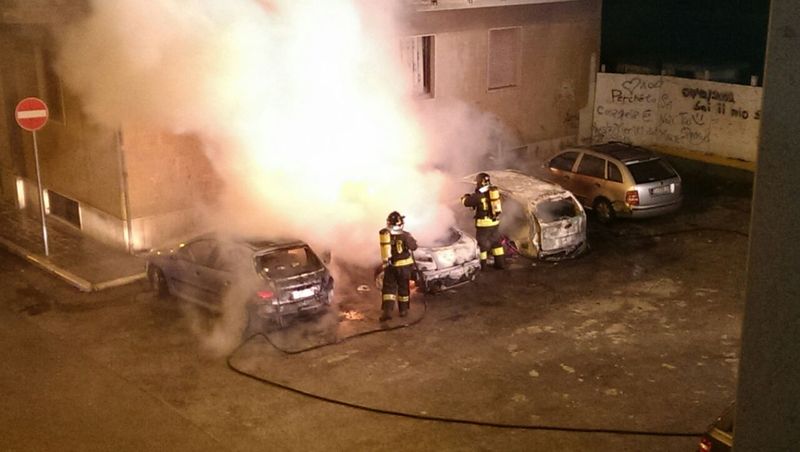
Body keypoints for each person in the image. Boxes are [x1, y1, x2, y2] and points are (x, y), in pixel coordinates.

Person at [461, 172, 506, 270]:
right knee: (496, 243)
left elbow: (466, 202)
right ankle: (500, 264)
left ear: (480, 182)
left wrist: (464, 197)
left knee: (482, 245)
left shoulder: (479, 195)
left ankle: (483, 266)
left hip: (483, 224)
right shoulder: (494, 191)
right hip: (495, 222)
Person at [378, 211, 418, 321]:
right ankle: (403, 311)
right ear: (400, 224)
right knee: (403, 288)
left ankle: (387, 311)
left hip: (390, 266)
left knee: (388, 289)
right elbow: (414, 247)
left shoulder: (385, 234)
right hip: (404, 267)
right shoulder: (406, 235)